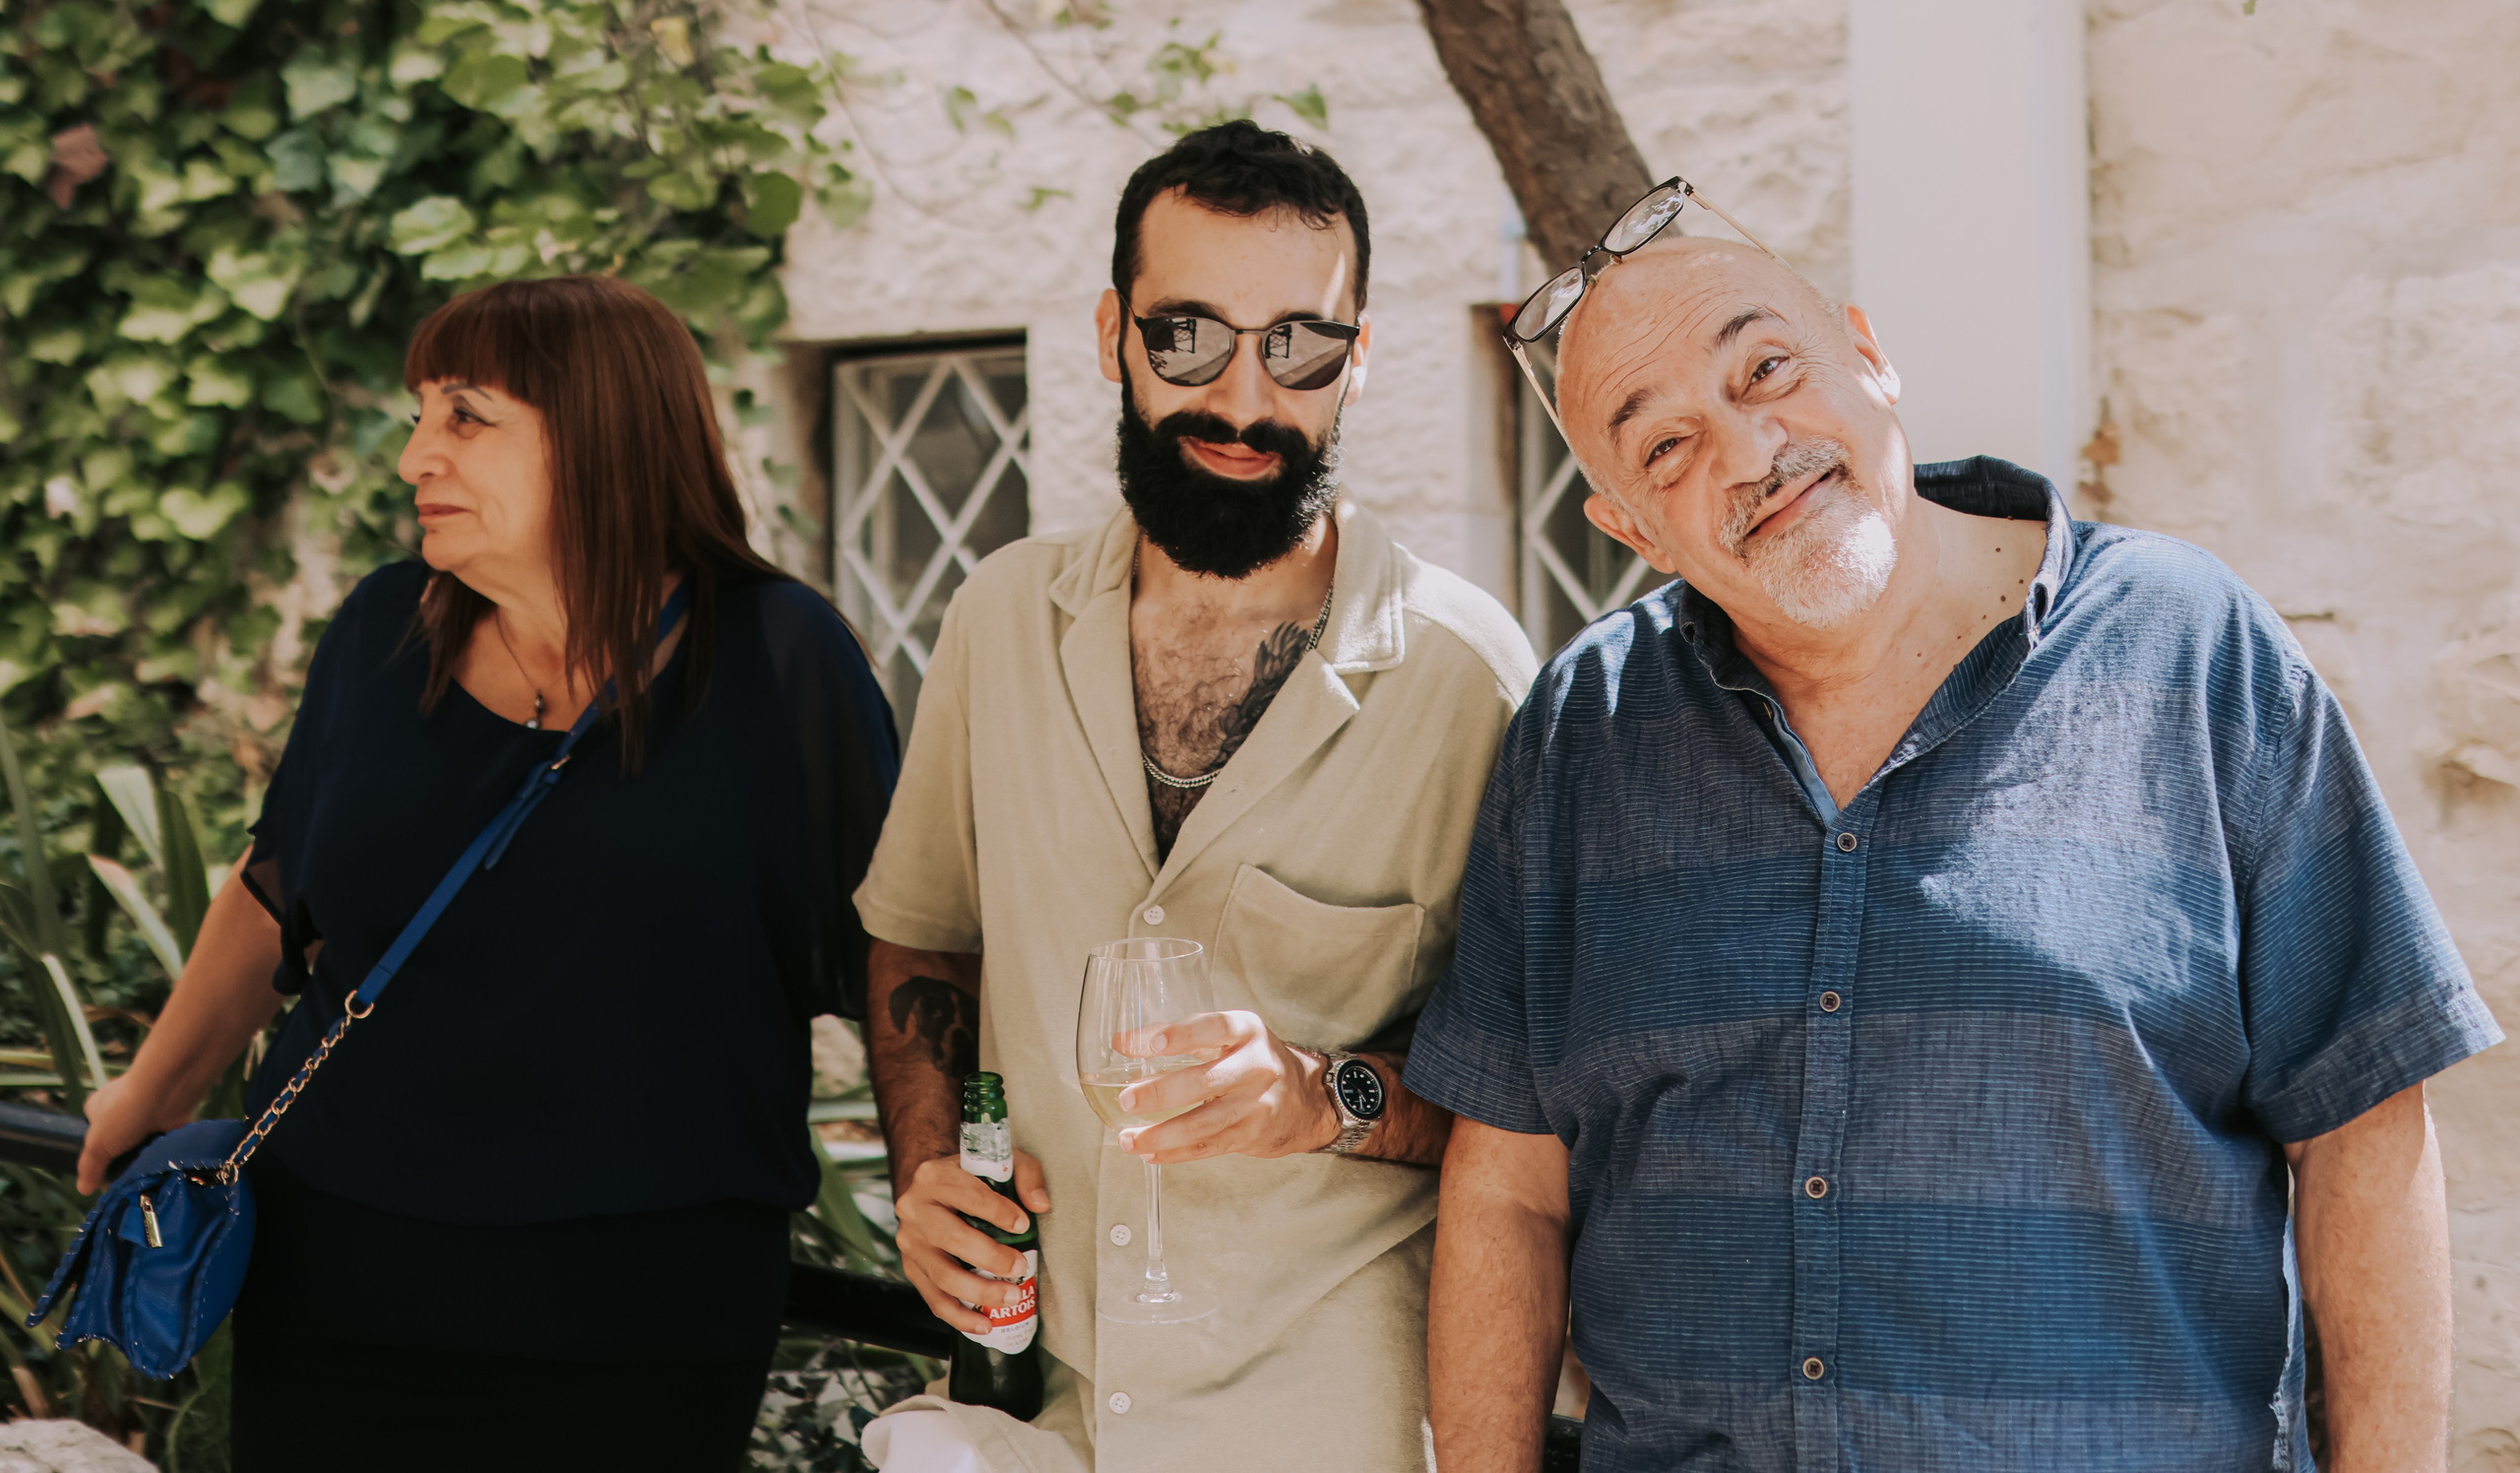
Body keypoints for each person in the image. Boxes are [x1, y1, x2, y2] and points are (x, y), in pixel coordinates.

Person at [1404, 221, 2503, 1471]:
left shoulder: (2189, 651)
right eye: (1666, 444)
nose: (1752, 452)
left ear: (1868, 354)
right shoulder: (1580, 733)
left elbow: (2361, 1125)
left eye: (1765, 369)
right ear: (1630, 526)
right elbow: (1509, 1190)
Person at [76, 276, 899, 1471]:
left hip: (644, 1319)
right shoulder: (379, 631)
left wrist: (942, 1178)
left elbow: (900, 946)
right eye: (420, 414)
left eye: (464, 415)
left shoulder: (778, 658)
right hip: (338, 1283)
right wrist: (144, 1097)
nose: (414, 455)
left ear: (603, 432)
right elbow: (273, 892)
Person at [852, 120, 1538, 1473]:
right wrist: (931, 1170)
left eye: (1300, 345)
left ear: (1359, 358)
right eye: (1188, 336)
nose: (1244, 394)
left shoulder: (1472, 680)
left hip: (1331, 1423)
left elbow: (1538, 1101)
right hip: (1028, 1406)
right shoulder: (996, 616)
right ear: (1114, 333)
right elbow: (923, 934)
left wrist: (1318, 1094)